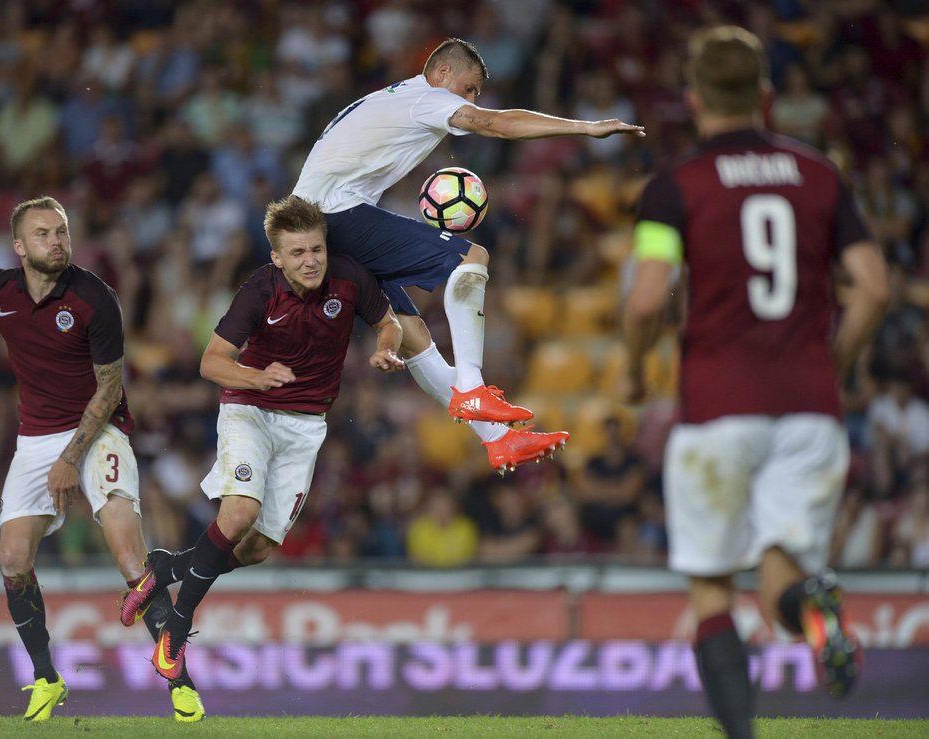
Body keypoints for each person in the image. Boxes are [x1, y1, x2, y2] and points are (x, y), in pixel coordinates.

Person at [622, 27, 889, 739]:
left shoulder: (672, 189)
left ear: (693, 98)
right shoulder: (822, 176)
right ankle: (816, 613)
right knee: (782, 571)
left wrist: (628, 367)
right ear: (767, 97)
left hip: (716, 408)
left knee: (714, 590)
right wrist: (833, 364)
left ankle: (742, 734)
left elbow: (648, 298)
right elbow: (872, 285)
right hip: (809, 408)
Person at [0, 197, 205, 723]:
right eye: (43, 234)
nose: (56, 241)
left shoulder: (94, 298)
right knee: (12, 561)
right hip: (35, 437)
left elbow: (110, 388)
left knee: (131, 562)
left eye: (62, 232)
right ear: (19, 246)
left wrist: (71, 456)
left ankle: (180, 683)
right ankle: (47, 678)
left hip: (99, 428)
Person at [292, 38, 645, 473]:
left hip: (313, 223)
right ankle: (472, 385)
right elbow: (496, 125)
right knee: (470, 257)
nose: (473, 99)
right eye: (470, 88)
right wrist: (585, 128)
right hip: (333, 214)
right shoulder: (429, 98)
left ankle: (499, 442)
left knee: (412, 334)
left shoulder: (401, 97)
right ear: (442, 73)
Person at [119, 195, 405, 682]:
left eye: (315, 249)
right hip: (249, 409)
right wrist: (257, 378)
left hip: (306, 426)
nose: (310, 260)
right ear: (277, 257)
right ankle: (176, 630)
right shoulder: (260, 289)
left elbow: (389, 322)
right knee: (239, 513)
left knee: (256, 548)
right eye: (297, 253)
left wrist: (385, 349)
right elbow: (212, 361)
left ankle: (165, 570)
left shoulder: (349, 277)